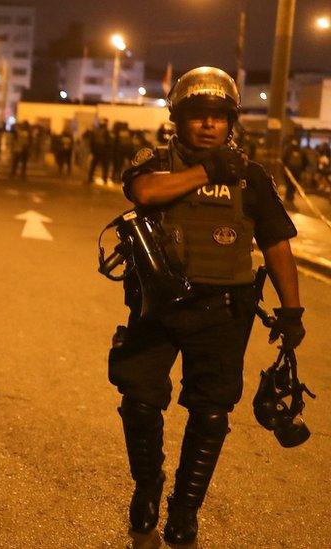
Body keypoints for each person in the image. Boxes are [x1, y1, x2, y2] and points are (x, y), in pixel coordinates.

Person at [109, 67, 305, 545]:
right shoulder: (153, 160)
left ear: (231, 122)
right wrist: (205, 171)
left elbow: (277, 243)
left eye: (219, 116)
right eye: (199, 115)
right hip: (158, 309)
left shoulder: (251, 177)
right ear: (179, 119)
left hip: (223, 312)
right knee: (138, 401)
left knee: (211, 412)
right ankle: (147, 487)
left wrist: (292, 311)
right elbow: (145, 192)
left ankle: (185, 507)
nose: (209, 125)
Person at [282, 138, 307, 207]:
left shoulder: (288, 149)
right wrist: (302, 169)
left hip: (289, 171)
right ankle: (290, 200)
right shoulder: (301, 150)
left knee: (289, 185)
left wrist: (285, 168)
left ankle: (288, 200)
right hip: (297, 172)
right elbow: (305, 161)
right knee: (293, 186)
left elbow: (283, 159)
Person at [85, 118, 112, 185]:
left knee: (93, 165)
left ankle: (90, 178)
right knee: (105, 166)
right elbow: (109, 142)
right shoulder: (106, 131)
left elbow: (92, 141)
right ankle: (104, 179)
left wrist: (92, 150)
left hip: (96, 151)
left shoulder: (95, 131)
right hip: (104, 151)